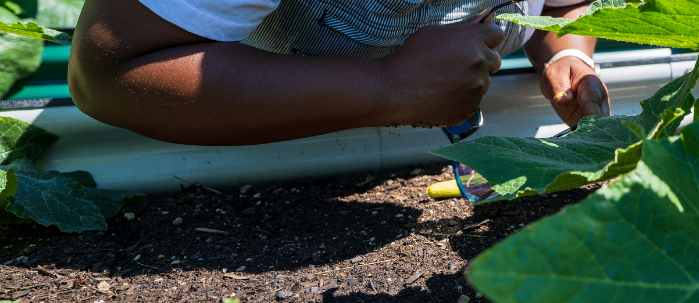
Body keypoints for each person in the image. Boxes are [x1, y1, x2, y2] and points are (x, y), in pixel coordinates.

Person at [68, 0, 610, 146]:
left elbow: (564, 5)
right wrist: (389, 89)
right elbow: (108, 75)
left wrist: (568, 55)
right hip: (263, 153)